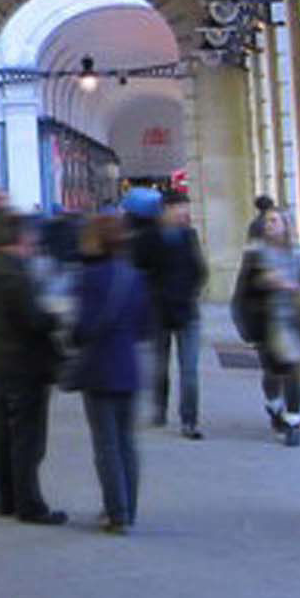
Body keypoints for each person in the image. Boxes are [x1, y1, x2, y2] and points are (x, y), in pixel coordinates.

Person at [0, 210, 67, 525]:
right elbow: (33, 320)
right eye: (30, 237)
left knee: (1, 432)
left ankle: (6, 498)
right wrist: (56, 317)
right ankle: (29, 503)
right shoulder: (15, 274)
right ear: (20, 238)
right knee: (27, 437)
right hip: (25, 362)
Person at [72, 215, 150, 534]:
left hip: (98, 367)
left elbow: (82, 327)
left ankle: (116, 512)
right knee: (127, 442)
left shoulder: (88, 278)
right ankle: (128, 508)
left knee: (106, 445)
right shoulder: (135, 278)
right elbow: (145, 328)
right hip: (128, 367)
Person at [233, 208, 300, 446]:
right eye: (267, 221)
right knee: (272, 371)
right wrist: (244, 322)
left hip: (293, 323)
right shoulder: (255, 255)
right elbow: (243, 292)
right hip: (265, 322)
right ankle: (274, 404)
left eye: (274, 221)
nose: (269, 225)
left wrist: (295, 289)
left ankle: (292, 421)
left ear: (286, 225)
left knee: (293, 371)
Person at [136, 193, 208, 438]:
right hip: (159, 310)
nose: (183, 213)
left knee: (189, 369)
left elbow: (200, 270)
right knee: (160, 364)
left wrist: (190, 292)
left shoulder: (189, 236)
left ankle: (189, 420)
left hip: (187, 310)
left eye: (185, 209)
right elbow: (138, 269)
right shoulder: (148, 237)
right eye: (179, 208)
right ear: (165, 209)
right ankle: (160, 407)